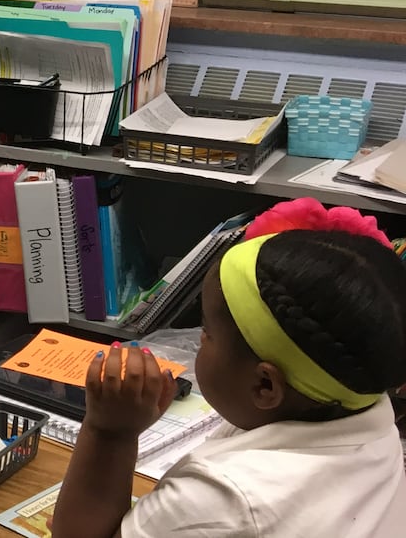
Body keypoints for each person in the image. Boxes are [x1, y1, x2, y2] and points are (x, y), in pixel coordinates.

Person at [53, 200, 406, 538]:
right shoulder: (368, 407)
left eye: (206, 332)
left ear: (265, 386)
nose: (197, 342)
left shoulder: (222, 500)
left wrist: (110, 432)